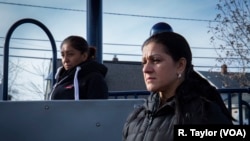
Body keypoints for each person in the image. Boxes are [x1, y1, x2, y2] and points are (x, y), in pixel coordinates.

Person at [122, 32, 234, 141]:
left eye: (156, 60)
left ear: (180, 65)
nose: (146, 69)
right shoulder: (135, 118)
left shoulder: (205, 116)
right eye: (144, 62)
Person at [49, 35, 108, 100]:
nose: (65, 60)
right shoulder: (61, 79)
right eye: (63, 55)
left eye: (70, 54)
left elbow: (98, 108)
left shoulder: (95, 78)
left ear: (84, 56)